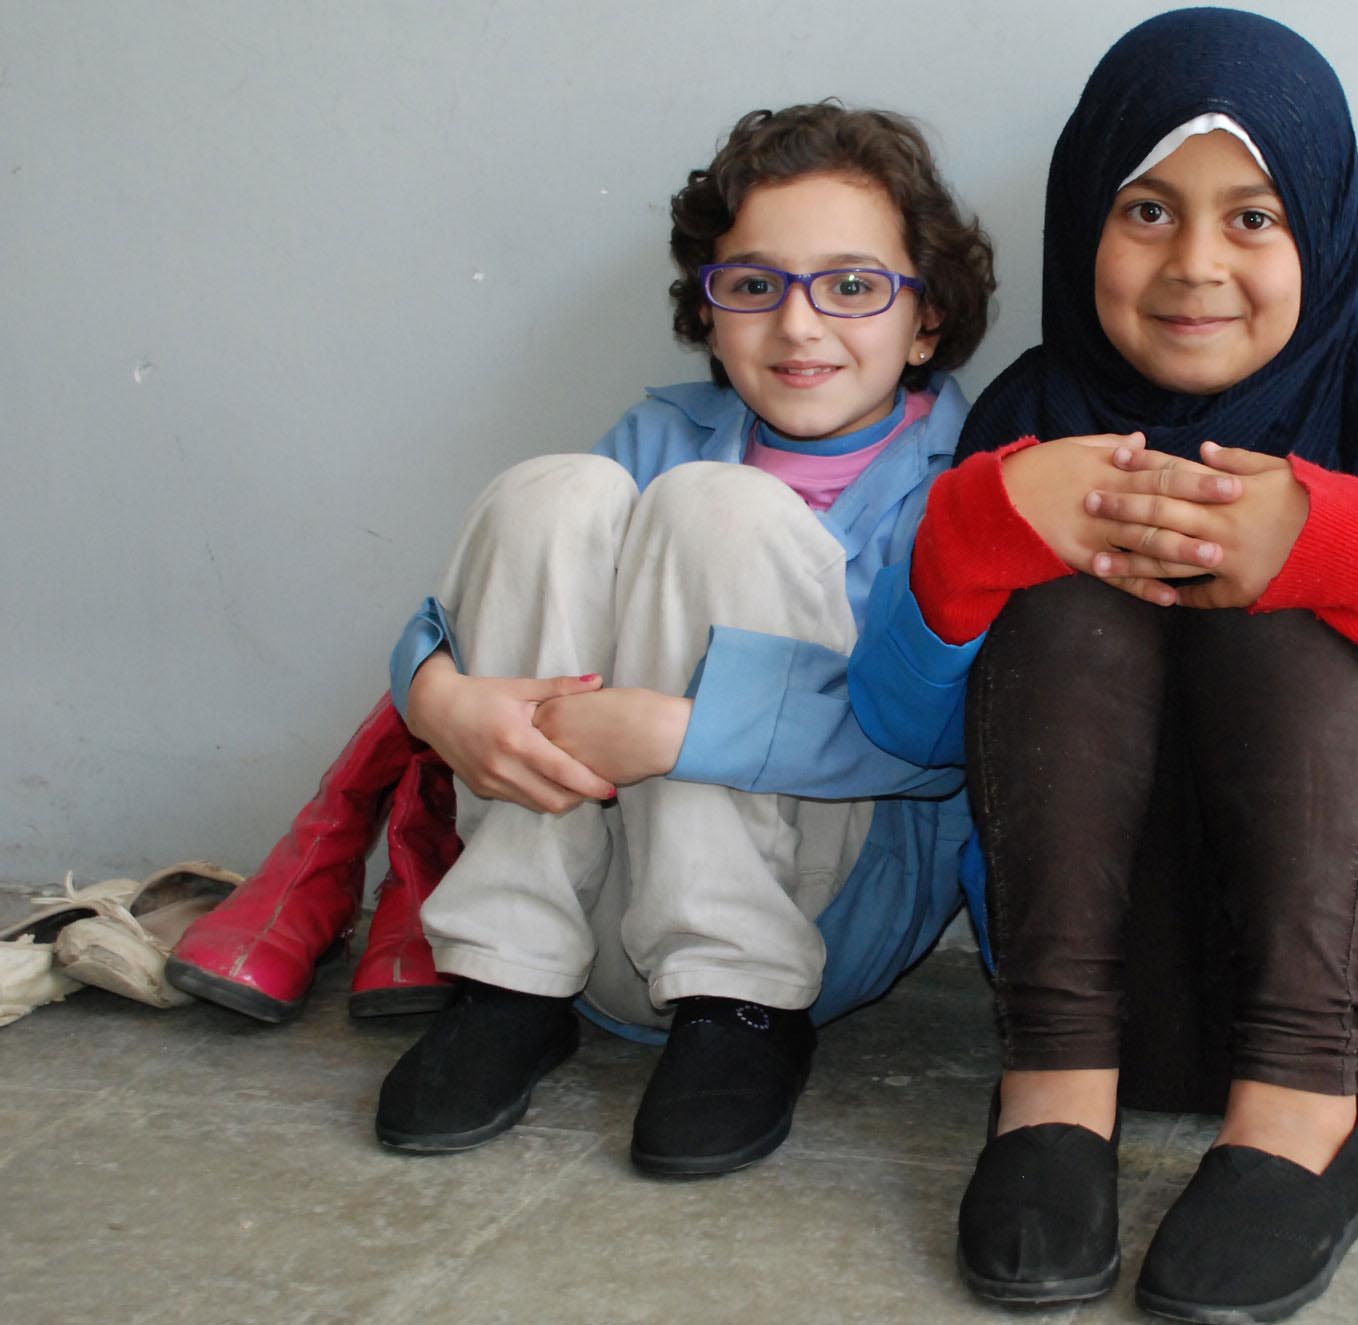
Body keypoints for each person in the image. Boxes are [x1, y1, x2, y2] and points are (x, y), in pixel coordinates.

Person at [847, 10, 1358, 1322]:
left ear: (1321, 221)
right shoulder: (1022, 417)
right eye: (1146, 210)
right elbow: (904, 724)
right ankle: (1051, 1101)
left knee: (1286, 584)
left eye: (1253, 216)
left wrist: (1347, 549)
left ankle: (1301, 1130)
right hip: (1108, 1001)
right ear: (1087, 218)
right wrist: (970, 543)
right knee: (1061, 601)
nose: (1196, 263)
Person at [370, 102, 997, 1178]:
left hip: (805, 930)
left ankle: (737, 1013)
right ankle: (506, 984)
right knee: (551, 490)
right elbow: (467, 613)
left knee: (722, 505)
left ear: (925, 319)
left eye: (851, 285)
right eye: (754, 285)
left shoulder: (965, 479)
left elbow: (948, 737)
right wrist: (438, 701)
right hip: (597, 922)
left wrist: (684, 728)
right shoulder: (659, 428)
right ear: (710, 311)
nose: (798, 326)